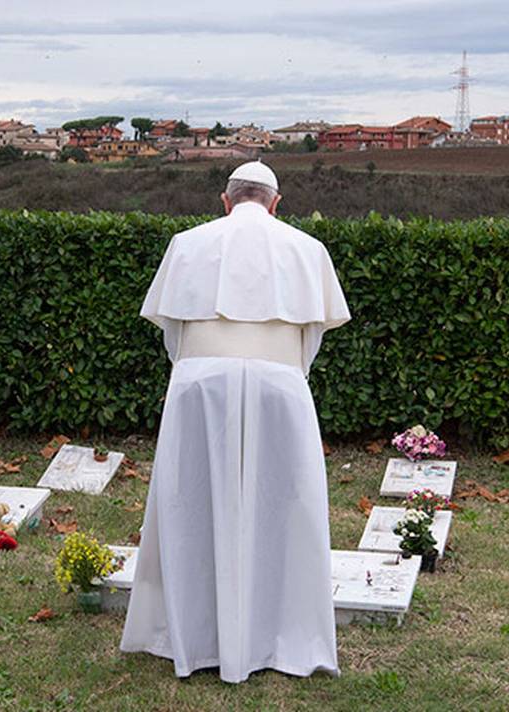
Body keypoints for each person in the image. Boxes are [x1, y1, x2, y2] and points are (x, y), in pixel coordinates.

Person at [120, 161, 351, 683]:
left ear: (225, 201)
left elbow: (172, 336)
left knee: (190, 500)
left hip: (198, 384)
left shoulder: (186, 243)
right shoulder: (308, 249)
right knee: (285, 505)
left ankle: (192, 636)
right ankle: (281, 636)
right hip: (281, 385)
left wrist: (203, 369)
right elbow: (310, 340)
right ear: (276, 202)